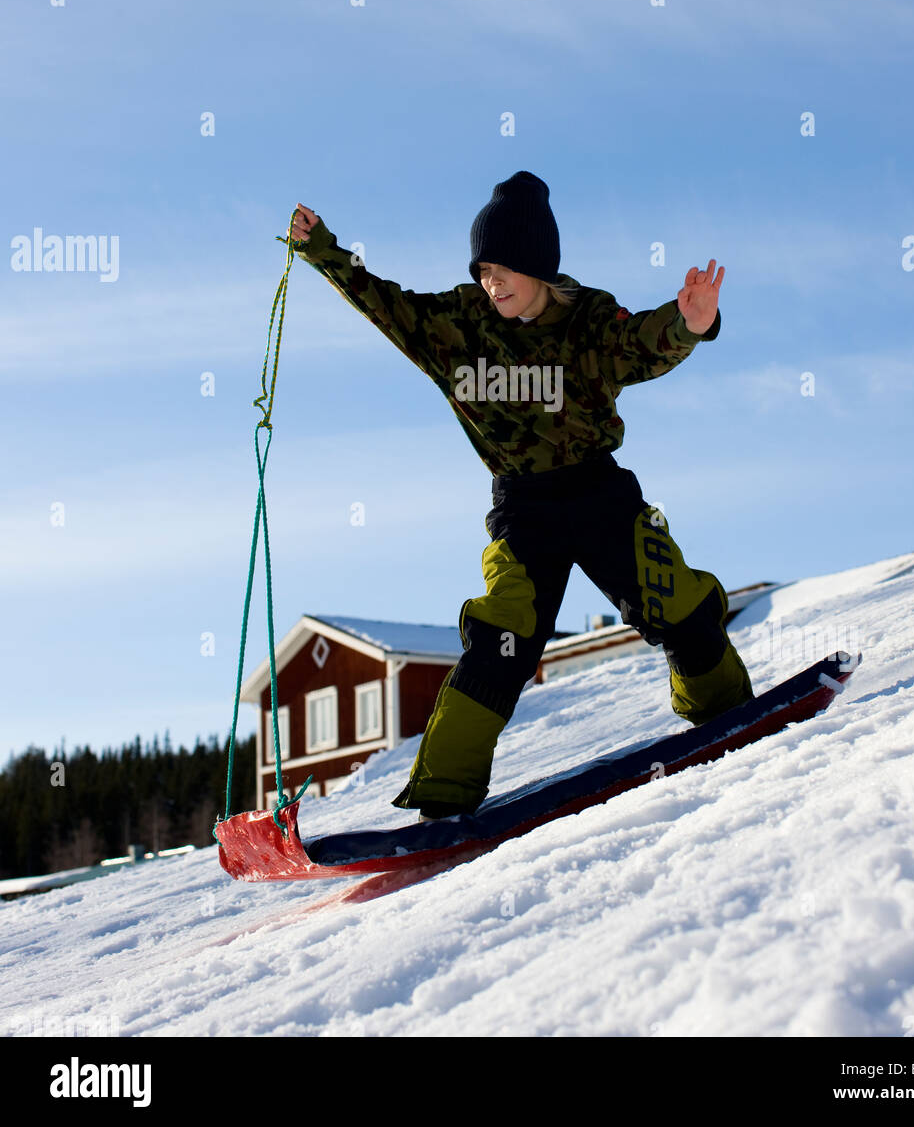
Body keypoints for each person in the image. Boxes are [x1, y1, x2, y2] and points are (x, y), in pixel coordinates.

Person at [289, 171, 753, 819]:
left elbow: (638, 343)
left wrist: (689, 323)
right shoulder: (457, 325)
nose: (492, 282)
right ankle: (442, 797)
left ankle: (729, 713)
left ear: (540, 266)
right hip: (522, 508)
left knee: (673, 601)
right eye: (483, 270)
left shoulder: (587, 319)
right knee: (502, 638)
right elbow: (385, 303)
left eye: (504, 269)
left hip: (599, 492)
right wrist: (323, 251)